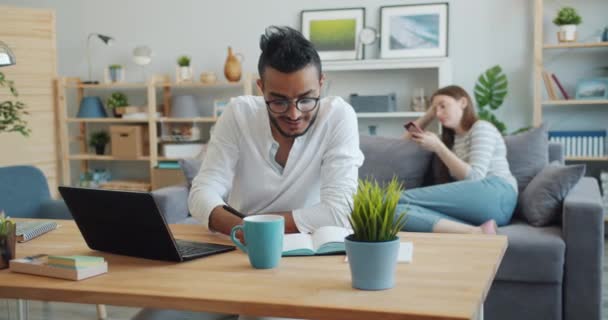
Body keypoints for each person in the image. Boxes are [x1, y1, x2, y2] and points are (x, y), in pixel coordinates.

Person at [400, 85, 518, 234]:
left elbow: (475, 177)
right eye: (435, 110)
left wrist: (439, 148)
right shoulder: (451, 140)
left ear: (463, 102)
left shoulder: (481, 128)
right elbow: (401, 144)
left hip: (497, 194)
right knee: (392, 211)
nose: (439, 113)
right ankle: (477, 232)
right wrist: (429, 115)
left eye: (443, 106)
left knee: (390, 200)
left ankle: (368, 201)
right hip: (478, 208)